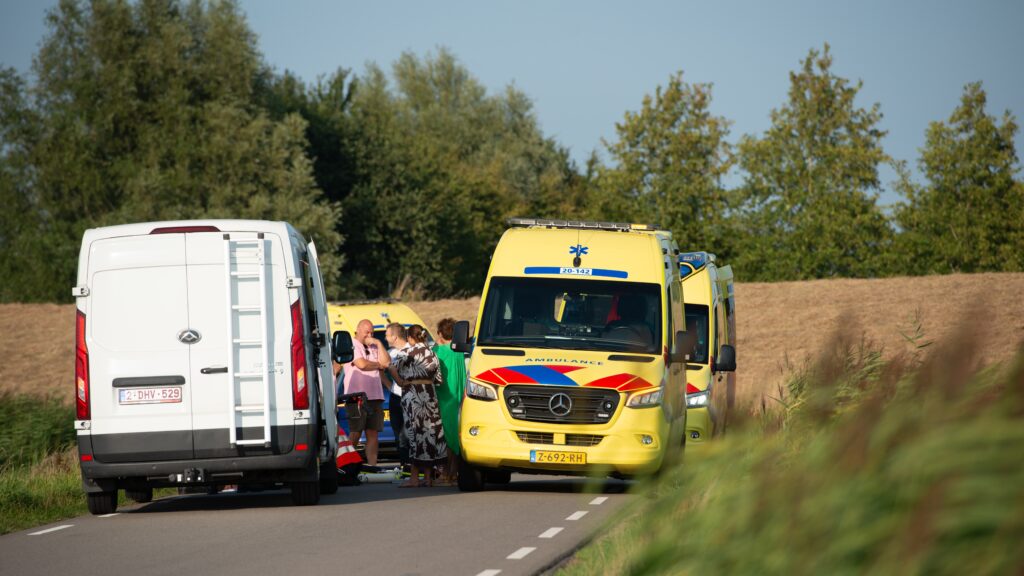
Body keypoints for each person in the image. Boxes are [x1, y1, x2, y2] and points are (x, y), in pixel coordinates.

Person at [388, 324, 447, 487]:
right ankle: (427, 478)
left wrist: (400, 381)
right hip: (429, 395)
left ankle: (414, 478)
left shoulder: (406, 353)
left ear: (410, 338)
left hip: (412, 396)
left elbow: (391, 367)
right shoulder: (433, 354)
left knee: (415, 435)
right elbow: (439, 380)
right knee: (429, 435)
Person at [342, 319, 390, 467]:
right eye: (366, 332)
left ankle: (372, 465)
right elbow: (361, 364)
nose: (369, 335)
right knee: (356, 431)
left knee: (373, 432)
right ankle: (346, 464)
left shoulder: (374, 345)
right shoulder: (351, 344)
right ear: (358, 330)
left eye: (372, 332)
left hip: (375, 396)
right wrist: (378, 365)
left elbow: (386, 363)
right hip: (356, 396)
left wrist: (379, 343)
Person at [432, 318, 465, 484]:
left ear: (440, 333)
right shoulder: (461, 350)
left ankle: (447, 473)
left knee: (446, 438)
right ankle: (455, 472)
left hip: (444, 397)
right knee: (457, 436)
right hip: (461, 397)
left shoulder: (438, 350)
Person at [383, 323, 411, 471]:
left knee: (407, 434)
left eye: (387, 335)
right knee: (398, 435)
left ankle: (412, 466)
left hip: (409, 397)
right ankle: (404, 465)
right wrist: (390, 386)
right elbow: (380, 368)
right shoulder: (391, 353)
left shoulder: (410, 351)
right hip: (395, 397)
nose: (386, 338)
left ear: (394, 336)